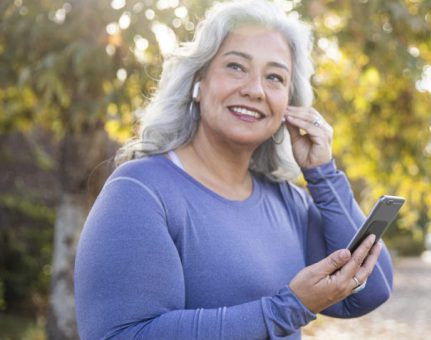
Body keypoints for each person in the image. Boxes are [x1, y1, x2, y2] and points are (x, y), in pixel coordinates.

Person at [73, 1, 394, 338]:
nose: (255, 89)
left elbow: (372, 290)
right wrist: (287, 308)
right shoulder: (140, 190)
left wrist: (324, 173)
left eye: (274, 77)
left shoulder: (287, 201)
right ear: (199, 81)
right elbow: (123, 334)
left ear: (289, 104)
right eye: (236, 67)